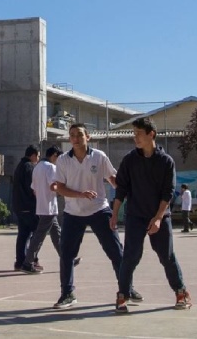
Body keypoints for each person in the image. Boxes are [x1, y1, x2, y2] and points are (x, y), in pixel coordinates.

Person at [51, 122, 140, 310]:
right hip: (73, 213)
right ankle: (67, 294)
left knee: (116, 252)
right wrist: (80, 194)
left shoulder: (99, 157)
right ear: (69, 139)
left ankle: (127, 289)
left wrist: (128, 193)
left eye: (79, 135)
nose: (75, 138)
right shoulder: (63, 161)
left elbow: (113, 179)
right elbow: (60, 187)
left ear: (88, 137)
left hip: (100, 210)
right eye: (72, 135)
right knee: (66, 255)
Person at [110, 117, 191, 314]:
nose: (135, 137)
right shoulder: (129, 160)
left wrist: (158, 218)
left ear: (151, 134)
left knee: (166, 256)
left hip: (160, 216)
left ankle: (181, 292)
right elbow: (121, 189)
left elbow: (168, 193)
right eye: (133, 133)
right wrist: (114, 215)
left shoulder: (166, 162)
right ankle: (122, 296)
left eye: (138, 133)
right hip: (135, 216)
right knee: (130, 256)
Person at [22, 146, 76, 273]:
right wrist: (64, 189)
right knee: (39, 236)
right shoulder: (51, 167)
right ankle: (27, 262)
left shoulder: (37, 168)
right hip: (49, 207)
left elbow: (34, 190)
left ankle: (68, 259)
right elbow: (54, 186)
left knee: (57, 234)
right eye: (59, 158)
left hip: (43, 206)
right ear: (54, 155)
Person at [11, 145, 39, 272]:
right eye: (37, 156)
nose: (37, 159)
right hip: (28, 206)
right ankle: (31, 260)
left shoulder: (19, 166)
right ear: (32, 155)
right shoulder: (29, 167)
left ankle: (20, 262)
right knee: (38, 234)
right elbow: (32, 187)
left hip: (19, 206)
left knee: (23, 235)